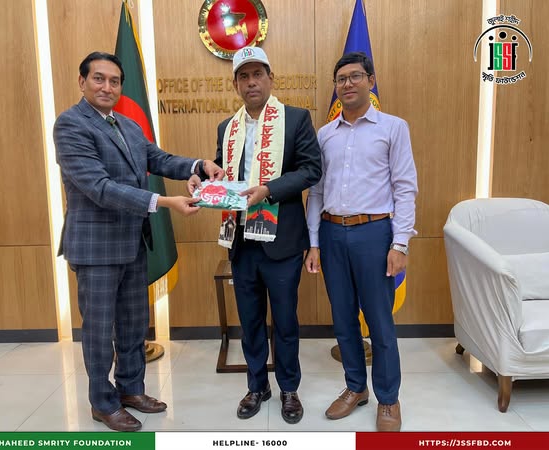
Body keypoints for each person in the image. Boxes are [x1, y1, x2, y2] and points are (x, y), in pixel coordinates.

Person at [54, 51, 224, 432]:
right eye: (99, 79)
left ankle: (131, 390)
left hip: (131, 242)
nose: (107, 87)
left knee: (134, 325)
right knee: (99, 331)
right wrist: (163, 202)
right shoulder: (70, 125)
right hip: (96, 248)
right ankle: (103, 403)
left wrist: (199, 166)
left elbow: (158, 159)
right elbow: (99, 187)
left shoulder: (128, 126)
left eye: (114, 81)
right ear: (82, 82)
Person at [190, 46, 321, 424]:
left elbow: (311, 169)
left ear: (270, 78)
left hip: (281, 240)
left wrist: (269, 190)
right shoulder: (227, 128)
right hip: (241, 240)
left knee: (285, 321)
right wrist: (202, 182)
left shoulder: (295, 119)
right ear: (235, 84)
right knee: (249, 320)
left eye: (258, 74)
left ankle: (289, 388)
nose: (251, 82)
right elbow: (223, 174)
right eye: (244, 76)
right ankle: (256, 385)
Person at [305, 52, 418, 432]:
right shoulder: (325, 134)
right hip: (332, 234)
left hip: (374, 234)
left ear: (371, 80)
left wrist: (400, 244)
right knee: (343, 319)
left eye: (355, 76)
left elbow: (405, 188)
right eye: (341, 79)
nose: (348, 84)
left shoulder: (393, 128)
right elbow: (316, 192)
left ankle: (388, 398)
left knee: (380, 322)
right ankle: (356, 387)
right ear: (335, 87)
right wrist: (314, 243)